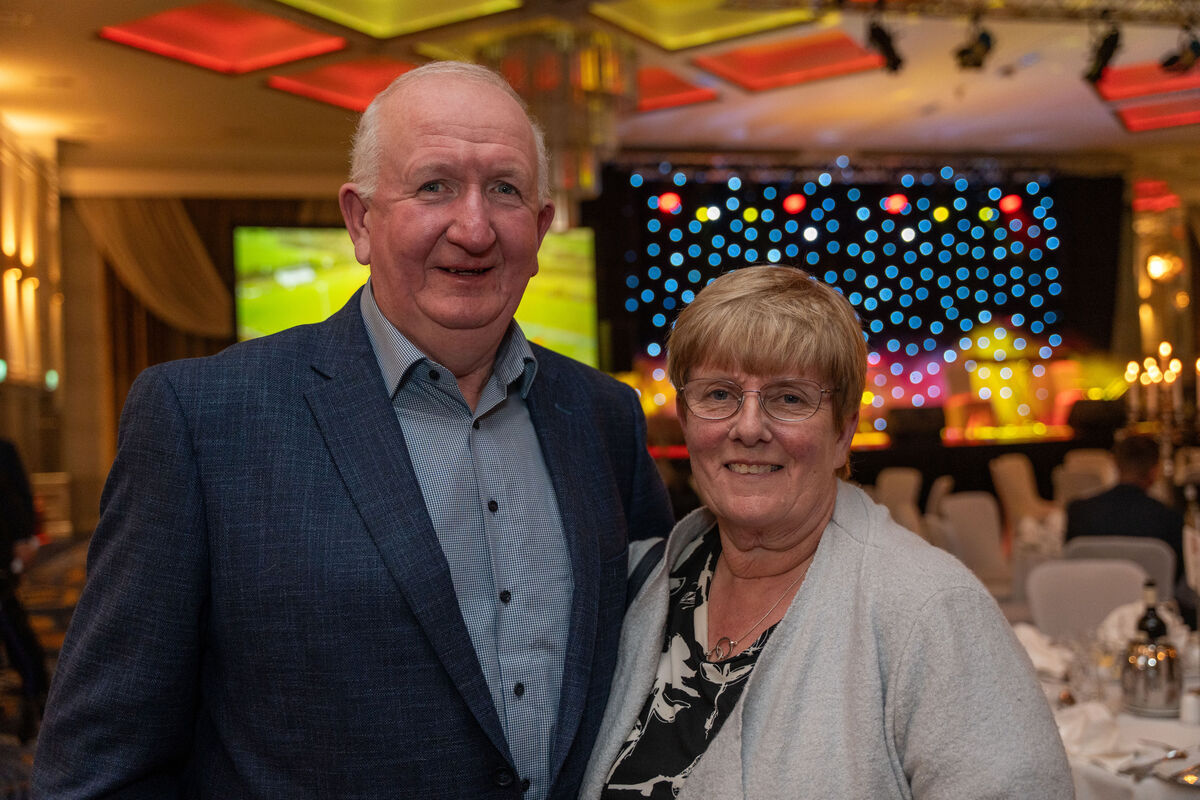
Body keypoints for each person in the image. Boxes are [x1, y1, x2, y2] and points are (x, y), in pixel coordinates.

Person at [33, 62, 674, 798]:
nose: (473, 227)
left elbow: (648, 678)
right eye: (434, 185)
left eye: (504, 189)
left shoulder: (602, 416)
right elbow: (98, 767)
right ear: (361, 221)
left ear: (540, 227)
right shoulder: (203, 419)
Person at [580, 266, 1072, 799]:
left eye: (789, 398)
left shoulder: (930, 608)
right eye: (719, 394)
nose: (747, 427)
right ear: (684, 419)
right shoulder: (644, 581)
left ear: (843, 434)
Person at [1065, 434, 1183, 568]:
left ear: (1115, 465)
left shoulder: (1079, 512)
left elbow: (1072, 566)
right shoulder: (1170, 518)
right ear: (1154, 471)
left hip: (1093, 588)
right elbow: (1175, 575)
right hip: (1148, 589)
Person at [0, 437, 48, 743]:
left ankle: (36, 696)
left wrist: (27, 542)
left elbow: (23, 496)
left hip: (5, 557)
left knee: (12, 627)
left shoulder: (4, 450)